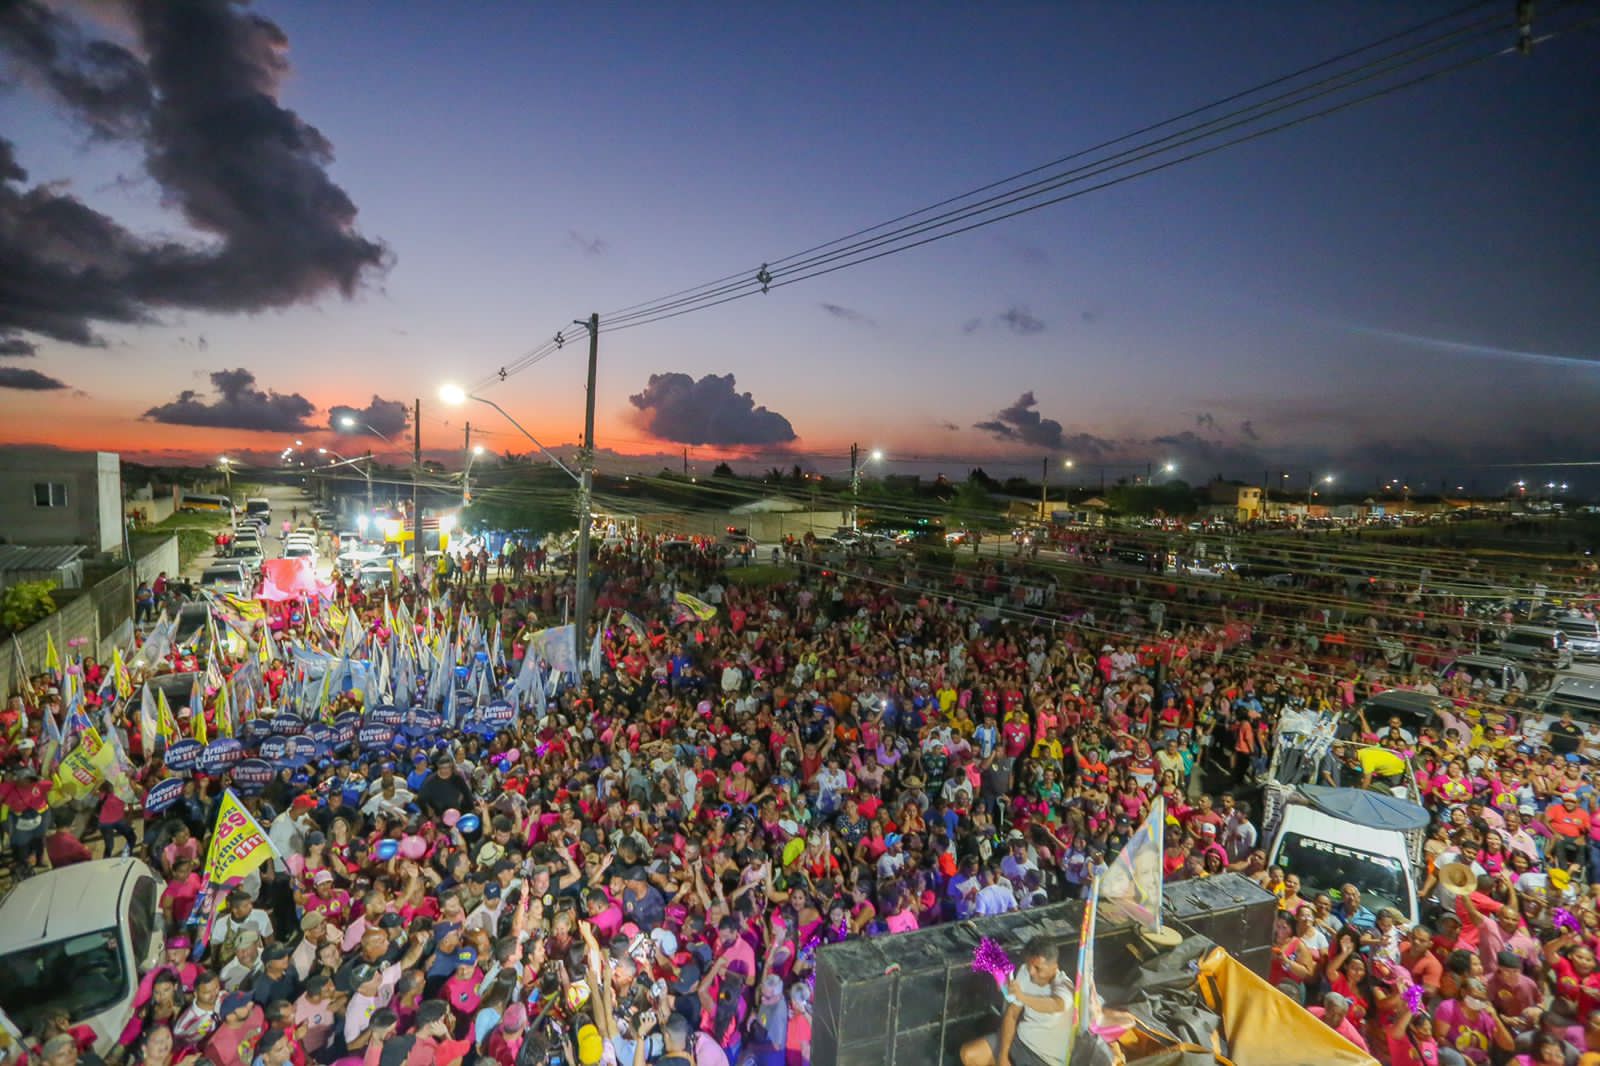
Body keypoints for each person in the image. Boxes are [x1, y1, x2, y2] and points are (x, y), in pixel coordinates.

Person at [959, 937, 1073, 1066]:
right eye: (1029, 965)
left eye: (1037, 968)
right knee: (969, 1054)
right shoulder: (1025, 972)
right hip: (1018, 1042)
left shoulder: (1065, 986)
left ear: (1054, 967)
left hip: (1042, 1059)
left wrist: (1022, 996)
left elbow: (1056, 1005)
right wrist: (1003, 1055)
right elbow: (1012, 1015)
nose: (1031, 972)